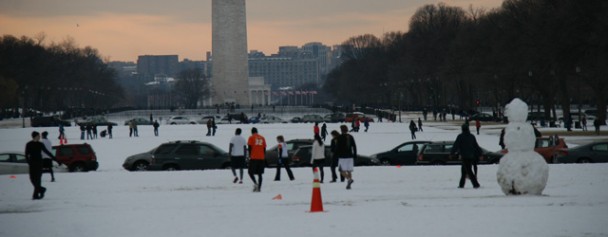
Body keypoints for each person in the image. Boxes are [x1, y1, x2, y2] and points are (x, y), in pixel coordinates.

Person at [25, 131, 59, 200]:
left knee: (38, 179)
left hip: (39, 163)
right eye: (38, 136)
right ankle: (42, 189)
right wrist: (28, 162)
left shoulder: (40, 144)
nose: (40, 137)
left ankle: (35, 195)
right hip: (32, 163)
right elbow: (26, 154)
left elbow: (47, 152)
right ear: (35, 136)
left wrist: (55, 159)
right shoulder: (29, 144)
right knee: (32, 179)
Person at [450, 124, 481, 189]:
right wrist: (480, 153)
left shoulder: (460, 136)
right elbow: (476, 146)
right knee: (464, 171)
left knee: (469, 171)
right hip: (471, 156)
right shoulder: (472, 136)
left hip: (464, 156)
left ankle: (476, 184)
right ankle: (461, 185)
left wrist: (452, 153)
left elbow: (456, 145)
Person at [335, 125, 357, 189]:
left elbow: (337, 148)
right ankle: (349, 184)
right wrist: (354, 154)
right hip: (350, 156)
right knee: (349, 170)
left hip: (342, 156)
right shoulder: (350, 137)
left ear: (341, 130)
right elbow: (354, 146)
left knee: (341, 170)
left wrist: (336, 155)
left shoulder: (339, 137)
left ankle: (349, 179)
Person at [247, 127, 266, 192]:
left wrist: (249, 155)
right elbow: (264, 148)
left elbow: (249, 147)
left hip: (254, 157)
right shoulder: (262, 137)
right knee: (260, 174)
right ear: (257, 131)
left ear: (252, 132)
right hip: (261, 157)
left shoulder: (251, 137)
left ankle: (255, 183)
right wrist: (263, 156)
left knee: (250, 172)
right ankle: (259, 188)